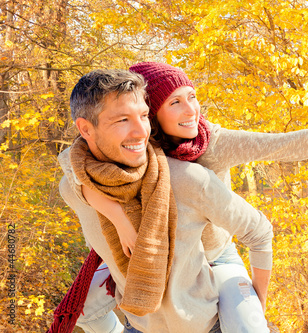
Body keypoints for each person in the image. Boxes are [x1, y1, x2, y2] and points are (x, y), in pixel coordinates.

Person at [67, 61, 308, 333]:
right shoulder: (135, 141)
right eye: (175, 102)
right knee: (81, 308)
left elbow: (291, 145)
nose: (191, 110)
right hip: (153, 245)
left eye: (192, 97)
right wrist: (113, 214)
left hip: (214, 253)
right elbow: (74, 165)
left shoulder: (213, 145)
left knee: (246, 322)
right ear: (153, 110)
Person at [53, 69, 274, 333]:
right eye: (123, 119)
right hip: (139, 324)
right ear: (85, 129)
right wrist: (118, 219)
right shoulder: (74, 188)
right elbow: (73, 166)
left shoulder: (186, 179)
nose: (140, 131)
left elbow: (259, 231)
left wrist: (257, 306)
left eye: (144, 116)